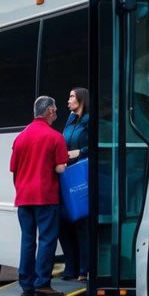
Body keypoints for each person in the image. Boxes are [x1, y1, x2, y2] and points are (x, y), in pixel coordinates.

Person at [10, 96, 68, 296]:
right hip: (46, 197)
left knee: (27, 240)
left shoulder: (20, 138)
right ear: (50, 112)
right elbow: (60, 168)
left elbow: (14, 170)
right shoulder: (55, 137)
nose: (56, 114)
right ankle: (42, 282)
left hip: (24, 197)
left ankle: (26, 284)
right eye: (55, 110)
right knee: (46, 240)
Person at [59, 87, 89, 281]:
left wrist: (80, 152)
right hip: (67, 173)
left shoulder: (89, 121)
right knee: (64, 222)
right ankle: (70, 267)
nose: (68, 100)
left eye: (71, 96)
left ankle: (83, 269)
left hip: (82, 174)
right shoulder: (70, 120)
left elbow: (97, 144)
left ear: (81, 99)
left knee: (81, 222)